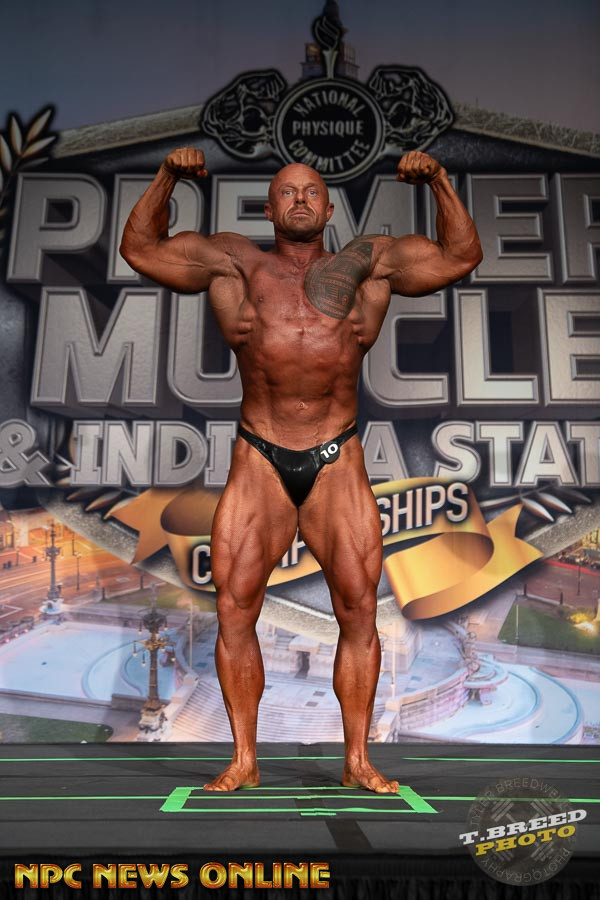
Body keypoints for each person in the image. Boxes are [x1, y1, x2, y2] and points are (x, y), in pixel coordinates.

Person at [121, 148, 482, 792]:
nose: (299, 200)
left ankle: (358, 759)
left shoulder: (369, 265)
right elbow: (141, 249)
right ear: (269, 209)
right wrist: (167, 177)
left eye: (311, 191)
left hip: (336, 457)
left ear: (329, 208)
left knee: (359, 611)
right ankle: (244, 759)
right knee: (234, 609)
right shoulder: (235, 263)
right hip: (259, 458)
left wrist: (439, 181)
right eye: (287, 192)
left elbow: (460, 256)